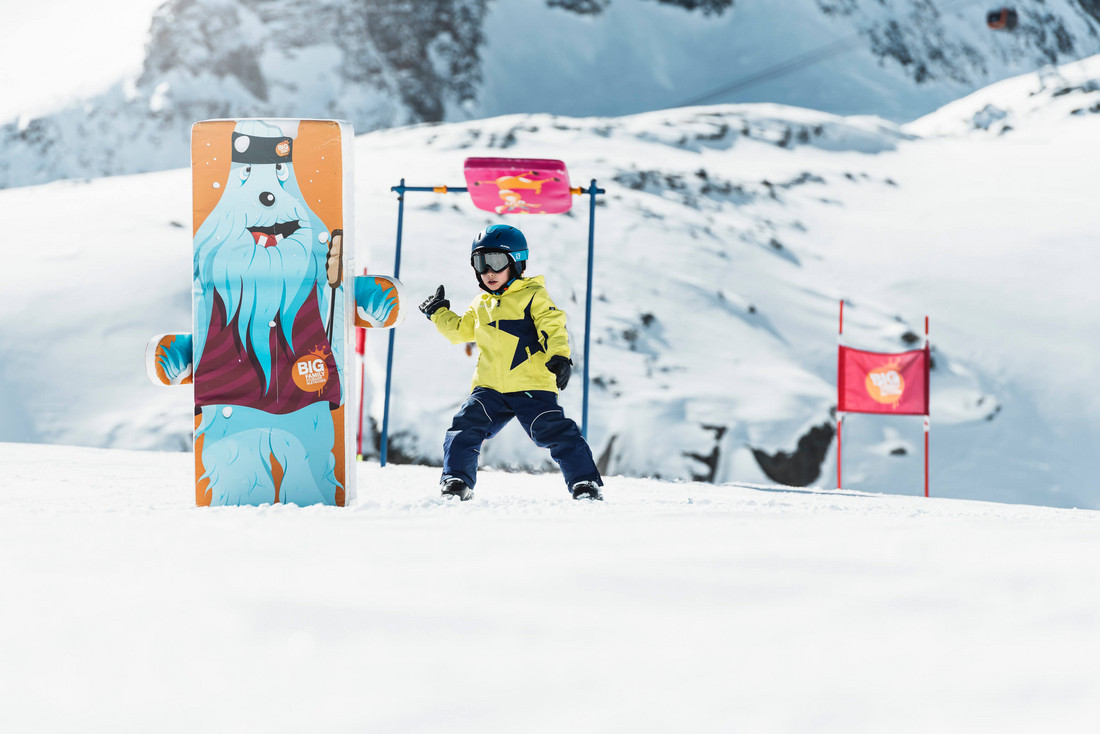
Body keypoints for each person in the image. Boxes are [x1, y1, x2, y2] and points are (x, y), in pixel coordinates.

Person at [418, 224, 604, 501]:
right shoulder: (481, 303)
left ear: (516, 262)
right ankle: (456, 480)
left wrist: (559, 356)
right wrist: (439, 313)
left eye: (496, 261)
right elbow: (461, 331)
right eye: (481, 263)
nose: (488, 272)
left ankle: (585, 483)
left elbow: (552, 326)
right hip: (489, 387)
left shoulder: (532, 296)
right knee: (464, 428)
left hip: (530, 384)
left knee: (554, 431)